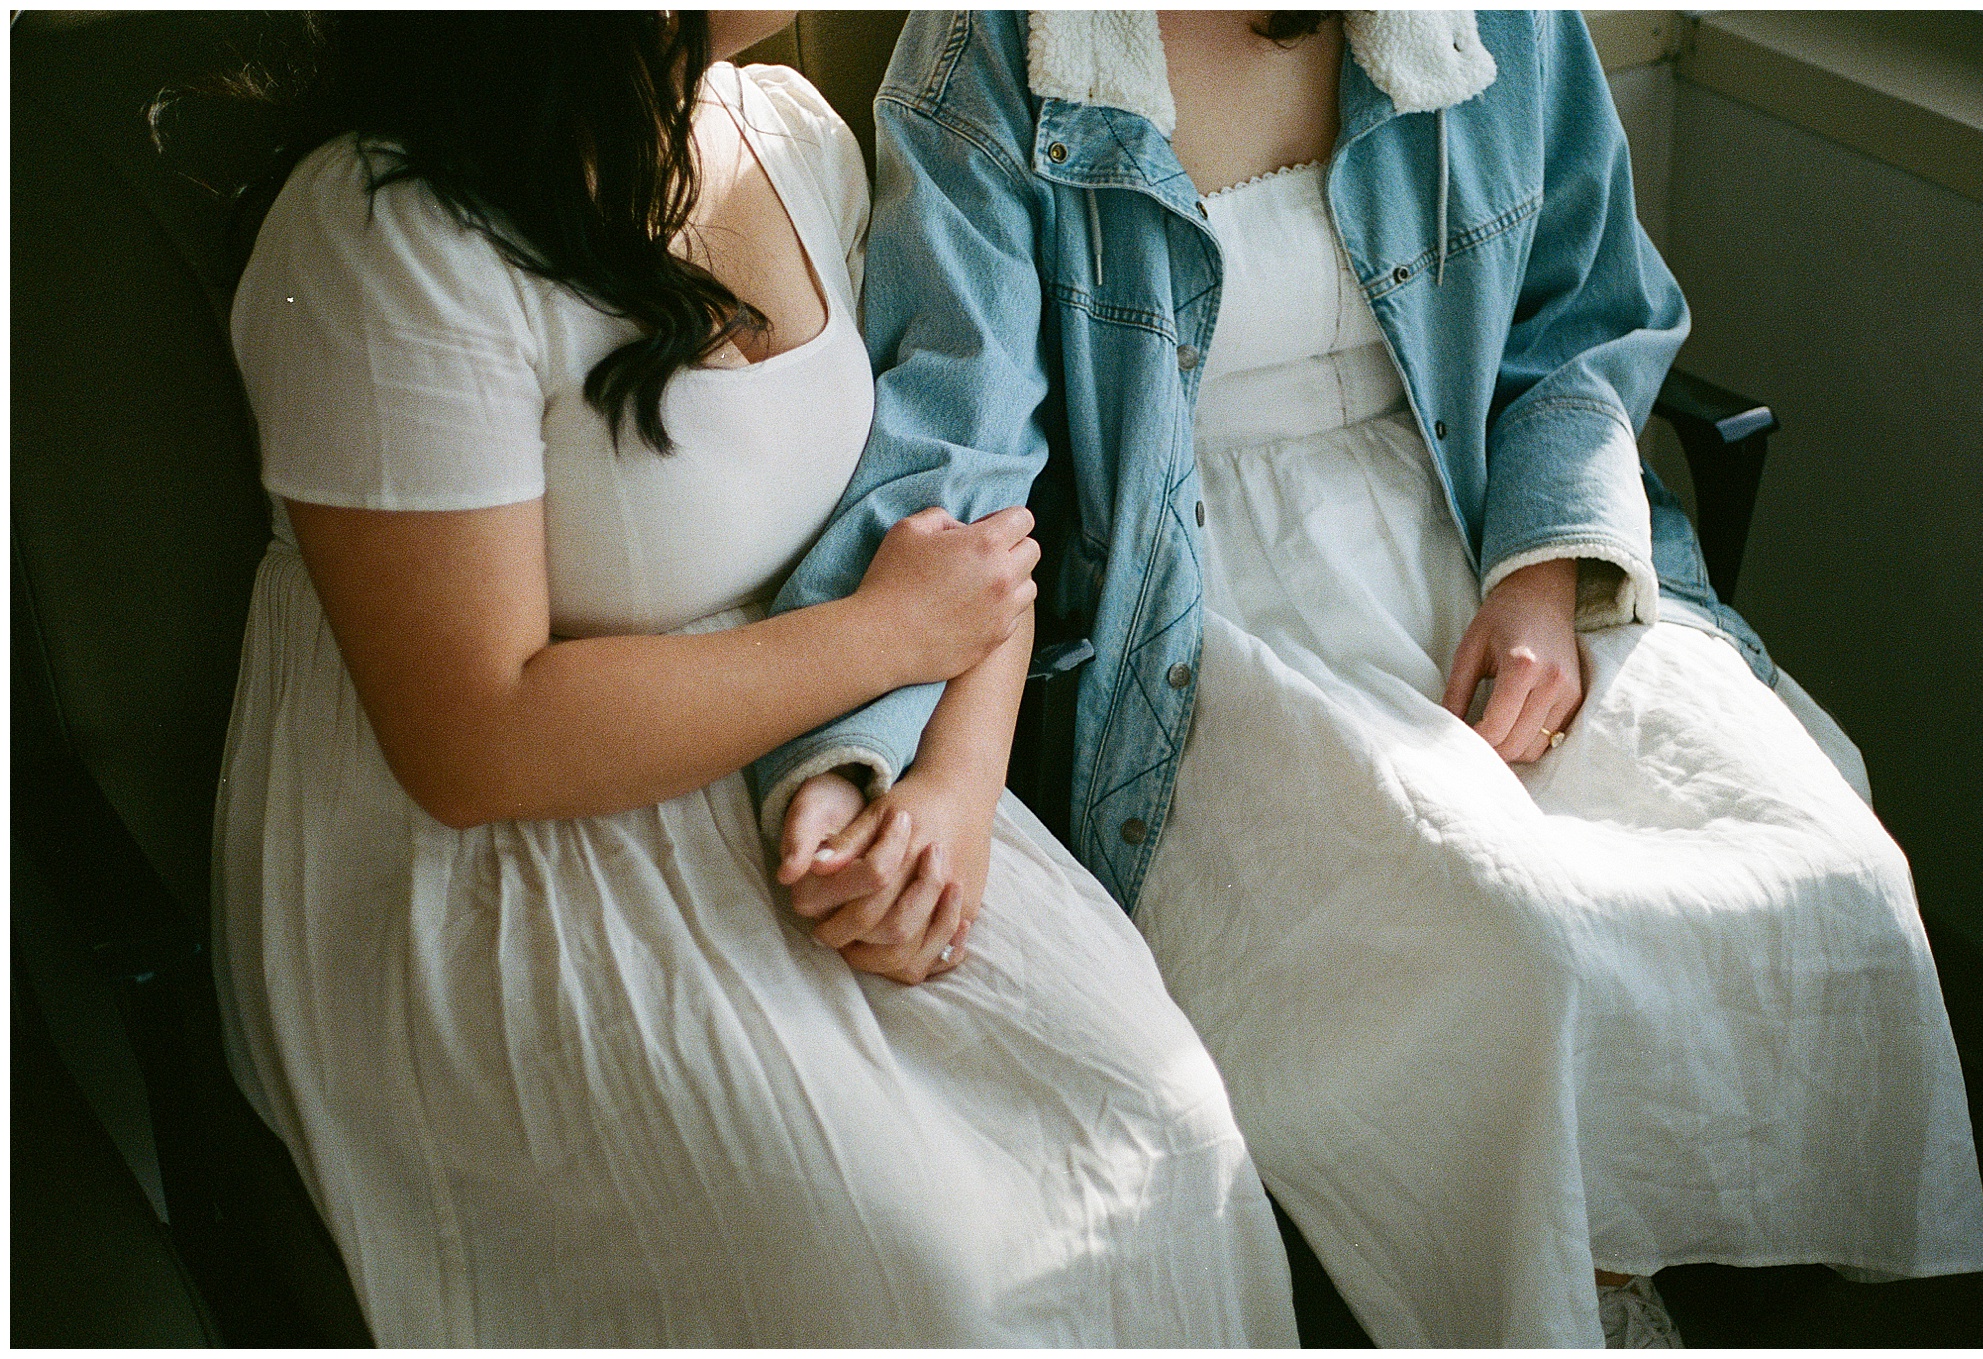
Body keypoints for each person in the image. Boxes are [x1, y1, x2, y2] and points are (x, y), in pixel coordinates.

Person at [758, 9, 1983, 1348]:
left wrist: (1543, 566)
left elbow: (1586, 316)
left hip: (1477, 519)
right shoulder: (1004, 49)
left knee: (1835, 869)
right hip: (1194, 604)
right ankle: (1547, 1287)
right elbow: (956, 447)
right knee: (1510, 936)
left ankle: (1636, 1239)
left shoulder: (1492, 23)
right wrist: (863, 755)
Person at [211, 10, 1296, 1346]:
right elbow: (474, 740)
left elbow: (958, 524)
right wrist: (882, 643)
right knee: (908, 1277)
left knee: (1166, 1140)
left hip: (856, 756)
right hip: (535, 859)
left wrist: (952, 792)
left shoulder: (790, 136)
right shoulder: (388, 236)